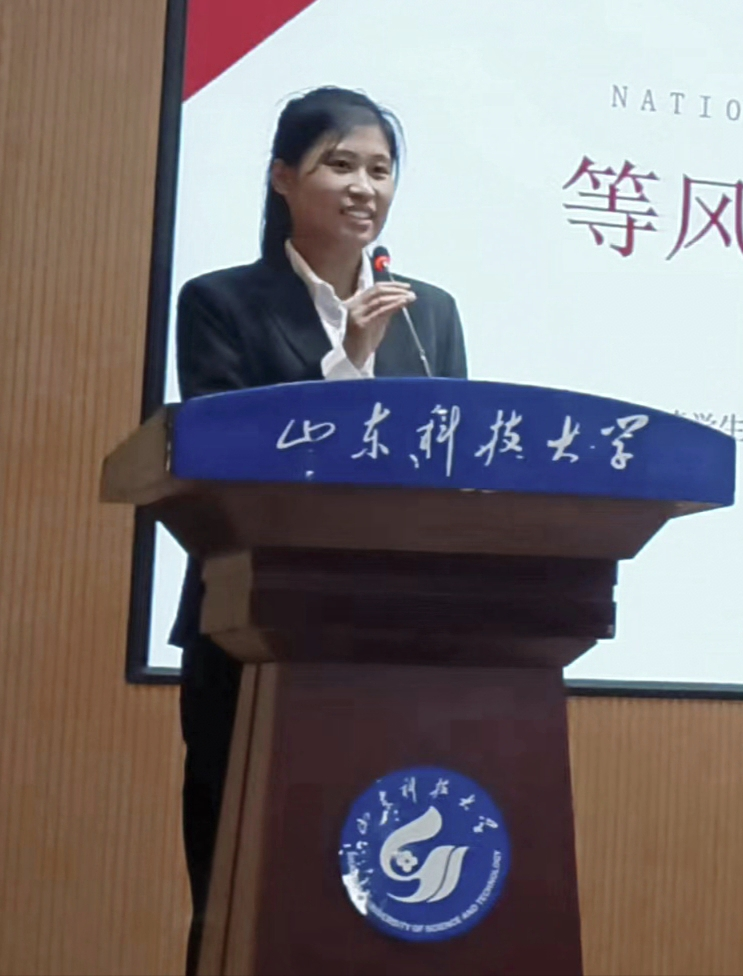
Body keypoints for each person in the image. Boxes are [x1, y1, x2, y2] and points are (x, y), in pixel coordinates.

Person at [171, 86, 468, 974]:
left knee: (380, 889)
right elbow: (227, 458)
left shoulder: (430, 313)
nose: (364, 187)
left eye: (380, 169)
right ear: (282, 178)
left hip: (397, 636)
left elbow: (455, 462)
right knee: (242, 879)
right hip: (250, 632)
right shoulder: (220, 303)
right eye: (340, 164)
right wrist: (349, 366)